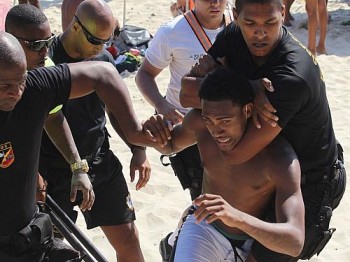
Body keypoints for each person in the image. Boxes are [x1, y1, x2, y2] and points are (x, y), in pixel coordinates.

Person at [180, 0, 346, 260]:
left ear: (283, 13)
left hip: (308, 176)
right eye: (250, 23)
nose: (260, 33)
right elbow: (186, 92)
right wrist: (248, 87)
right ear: (235, 16)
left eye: (270, 23)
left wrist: (230, 82)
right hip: (262, 158)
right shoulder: (234, 34)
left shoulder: (292, 74)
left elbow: (235, 155)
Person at [0, 30, 162, 260]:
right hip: (45, 189)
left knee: (127, 238)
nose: (16, 92)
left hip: (29, 240)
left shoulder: (34, 89)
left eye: (21, 81)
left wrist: (135, 135)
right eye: (6, 86)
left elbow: (103, 74)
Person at [144, 68, 305, 261]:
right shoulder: (199, 124)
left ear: (247, 110)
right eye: (209, 120)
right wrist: (155, 131)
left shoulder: (279, 158)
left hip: (251, 243)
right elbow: (169, 145)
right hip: (204, 228)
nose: (216, 131)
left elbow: (295, 242)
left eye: (225, 121)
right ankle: (176, 243)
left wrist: (235, 216)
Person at [40, 0, 151, 261]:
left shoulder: (102, 58)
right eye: (96, 41)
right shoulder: (46, 60)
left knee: (128, 239)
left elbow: (114, 111)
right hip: (55, 171)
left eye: (106, 41)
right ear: (76, 27)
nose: (101, 48)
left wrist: (138, 149)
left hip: (99, 160)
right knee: (52, 249)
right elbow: (43, 120)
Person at [136, 0, 230, 202]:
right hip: (186, 128)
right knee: (202, 197)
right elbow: (143, 74)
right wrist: (162, 105)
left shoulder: (240, 23)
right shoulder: (172, 31)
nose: (215, 3)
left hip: (228, 125)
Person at [5, 3, 94, 209]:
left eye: (49, 41)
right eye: (36, 45)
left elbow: (53, 117)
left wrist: (78, 167)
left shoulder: (46, 66)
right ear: (11, 39)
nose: (45, 51)